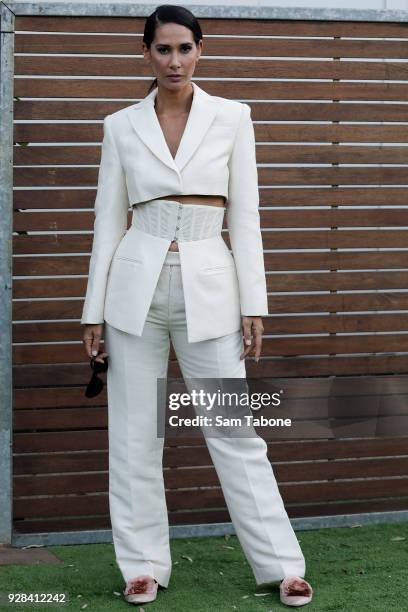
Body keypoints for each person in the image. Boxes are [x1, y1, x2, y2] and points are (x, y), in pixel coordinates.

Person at [81, 4, 313, 607]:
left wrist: (254, 303)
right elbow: (107, 222)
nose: (174, 60)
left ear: (200, 51)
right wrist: (91, 311)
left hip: (212, 284)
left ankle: (283, 566)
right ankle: (142, 566)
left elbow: (248, 217)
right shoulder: (120, 124)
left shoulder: (233, 117)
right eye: (163, 49)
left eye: (185, 48)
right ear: (147, 54)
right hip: (134, 289)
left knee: (232, 428)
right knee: (133, 435)